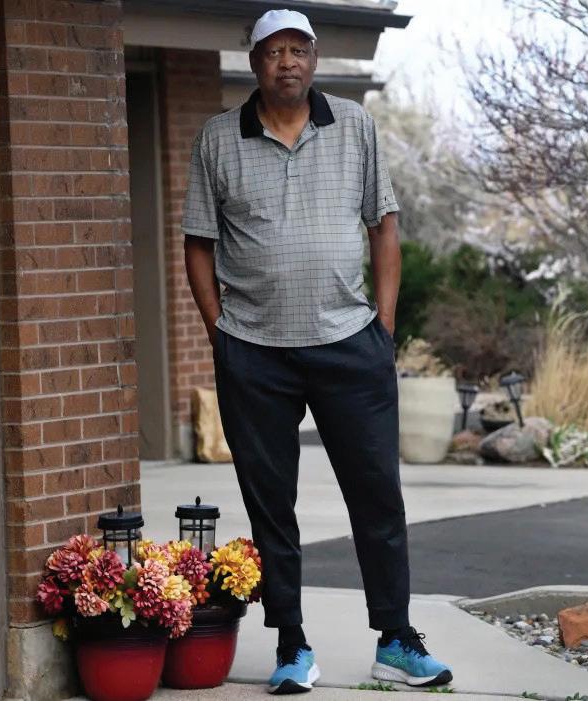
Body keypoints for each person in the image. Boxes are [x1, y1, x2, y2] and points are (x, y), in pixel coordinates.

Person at [181, 8, 452, 695]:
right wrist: (221, 333)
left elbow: (384, 226)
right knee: (271, 505)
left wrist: (382, 327)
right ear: (255, 62)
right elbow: (198, 244)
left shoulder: (355, 125)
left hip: (349, 347)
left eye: (298, 49)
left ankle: (396, 639)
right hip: (255, 354)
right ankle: (292, 644)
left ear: (314, 58)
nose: (288, 62)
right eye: (274, 51)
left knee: (377, 497)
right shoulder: (218, 138)